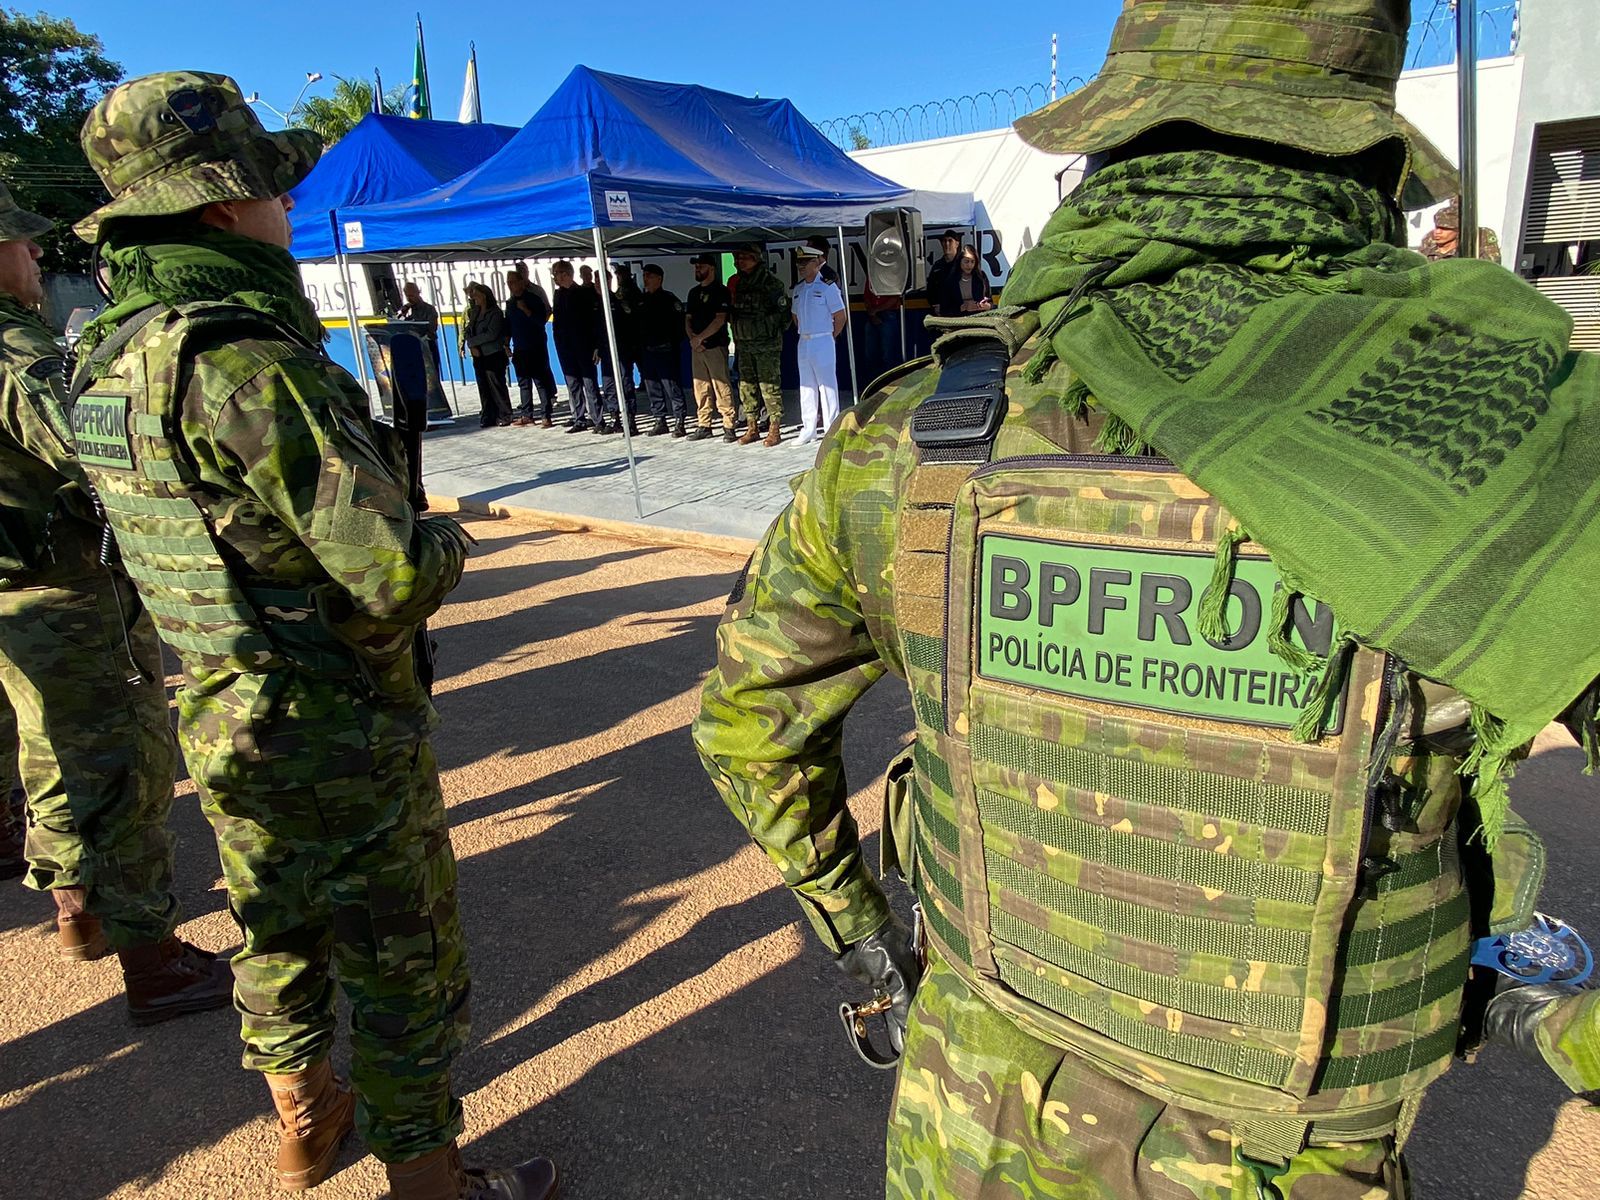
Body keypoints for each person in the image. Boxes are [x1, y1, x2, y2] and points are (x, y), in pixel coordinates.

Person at [694, 3, 1600, 1197]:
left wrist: (865, 928)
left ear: (1112, 151)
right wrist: (1553, 1019)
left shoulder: (917, 435)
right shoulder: (1503, 437)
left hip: (964, 1131)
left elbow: (746, 723)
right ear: (1372, 167)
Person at [70, 71, 555, 1199]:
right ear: (220, 206)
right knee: (402, 960)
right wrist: (445, 538)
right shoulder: (249, 360)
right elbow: (389, 575)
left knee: (276, 932)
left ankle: (302, 1118)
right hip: (333, 727)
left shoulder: (108, 358)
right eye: (273, 191)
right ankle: (432, 1183)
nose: (288, 210)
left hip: (220, 710)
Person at [0, 178, 233, 1018]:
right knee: (126, 768)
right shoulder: (19, 358)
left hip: (14, 603)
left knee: (47, 753)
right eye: (19, 244)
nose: (33, 257)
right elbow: (99, 455)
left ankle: (76, 909)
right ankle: (153, 960)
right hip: (66, 594)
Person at [727, 244, 788, 446]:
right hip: (744, 344)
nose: (739, 262)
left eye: (744, 257)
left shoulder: (771, 284)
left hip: (766, 346)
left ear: (755, 259)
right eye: (737, 258)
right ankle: (752, 427)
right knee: (746, 386)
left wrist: (764, 328)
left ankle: (774, 429)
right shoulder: (739, 283)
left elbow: (784, 316)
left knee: (769, 387)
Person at [790, 244, 846, 445]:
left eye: (805, 262)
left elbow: (840, 316)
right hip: (804, 340)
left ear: (816, 262)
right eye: (799, 263)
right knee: (806, 386)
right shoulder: (799, 289)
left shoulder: (827, 286)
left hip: (823, 339)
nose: (801, 266)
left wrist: (830, 336)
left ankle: (831, 428)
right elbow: (795, 315)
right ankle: (809, 429)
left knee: (827, 385)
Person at [551, 259, 607, 435]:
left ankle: (598, 418)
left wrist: (597, 345)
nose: (555, 277)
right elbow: (557, 322)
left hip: (584, 346)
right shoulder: (558, 294)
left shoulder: (582, 293)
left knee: (589, 383)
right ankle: (579, 418)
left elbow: (594, 322)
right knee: (573, 383)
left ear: (567, 274)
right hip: (566, 347)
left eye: (558, 273)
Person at [685, 252, 735, 440]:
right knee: (700, 387)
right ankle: (704, 424)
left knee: (721, 385)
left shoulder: (720, 291)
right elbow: (687, 319)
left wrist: (700, 338)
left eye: (702, 265)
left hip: (714, 346)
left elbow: (720, 320)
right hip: (696, 347)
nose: (698, 269)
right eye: (696, 266)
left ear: (712, 268)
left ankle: (729, 424)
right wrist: (693, 339)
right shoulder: (693, 292)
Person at [637, 264, 688, 436]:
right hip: (648, 351)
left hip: (666, 351)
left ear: (659, 278)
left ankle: (679, 420)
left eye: (649, 276)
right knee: (652, 387)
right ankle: (660, 419)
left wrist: (670, 344)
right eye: (644, 275)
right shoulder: (642, 300)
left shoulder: (669, 300)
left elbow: (679, 327)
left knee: (671, 386)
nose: (646, 279)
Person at [505, 269, 557, 427]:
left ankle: (546, 415)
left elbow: (541, 321)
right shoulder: (510, 303)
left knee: (540, 382)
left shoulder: (534, 299)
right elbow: (508, 325)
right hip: (519, 347)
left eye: (513, 281)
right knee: (523, 382)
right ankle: (527, 415)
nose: (511, 285)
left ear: (521, 282)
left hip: (536, 346)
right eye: (508, 282)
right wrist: (506, 344)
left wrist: (526, 310)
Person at [463, 281, 512, 428]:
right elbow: (468, 330)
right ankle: (488, 415)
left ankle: (504, 414)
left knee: (496, 386)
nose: (474, 298)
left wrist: (473, 342)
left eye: (476, 295)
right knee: (483, 387)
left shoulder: (495, 312)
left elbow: (491, 334)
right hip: (479, 356)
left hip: (493, 354)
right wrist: (471, 343)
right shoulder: (475, 312)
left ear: (484, 296)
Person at [600, 263, 641, 436]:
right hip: (607, 348)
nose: (619, 278)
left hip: (624, 346)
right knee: (609, 384)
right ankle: (614, 417)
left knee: (625, 382)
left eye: (620, 275)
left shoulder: (627, 294)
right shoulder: (606, 298)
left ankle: (630, 420)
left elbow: (631, 319)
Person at [1420, 195, 1503, 263]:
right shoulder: (1429, 239)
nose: (1438, 232)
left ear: (1458, 230)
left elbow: (1491, 265)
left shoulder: (1481, 236)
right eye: (1437, 227)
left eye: (1445, 228)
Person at [861, 278, 902, 381]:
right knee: (870, 353)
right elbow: (866, 296)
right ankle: (872, 384)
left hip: (889, 313)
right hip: (871, 315)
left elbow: (895, 297)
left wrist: (876, 310)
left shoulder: (892, 274)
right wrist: (872, 313)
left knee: (888, 353)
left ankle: (889, 383)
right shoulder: (871, 275)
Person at [938, 242, 992, 316]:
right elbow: (944, 310)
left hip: (980, 317)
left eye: (972, 262)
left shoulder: (981, 277)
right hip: (959, 319)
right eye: (966, 261)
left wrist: (987, 306)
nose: (969, 265)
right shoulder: (950, 280)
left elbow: (990, 302)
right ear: (960, 261)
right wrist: (962, 307)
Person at [924, 228, 963, 317]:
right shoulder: (937, 266)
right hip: (941, 313)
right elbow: (930, 288)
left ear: (957, 244)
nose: (947, 244)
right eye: (944, 241)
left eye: (950, 241)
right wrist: (934, 304)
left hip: (960, 312)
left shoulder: (963, 264)